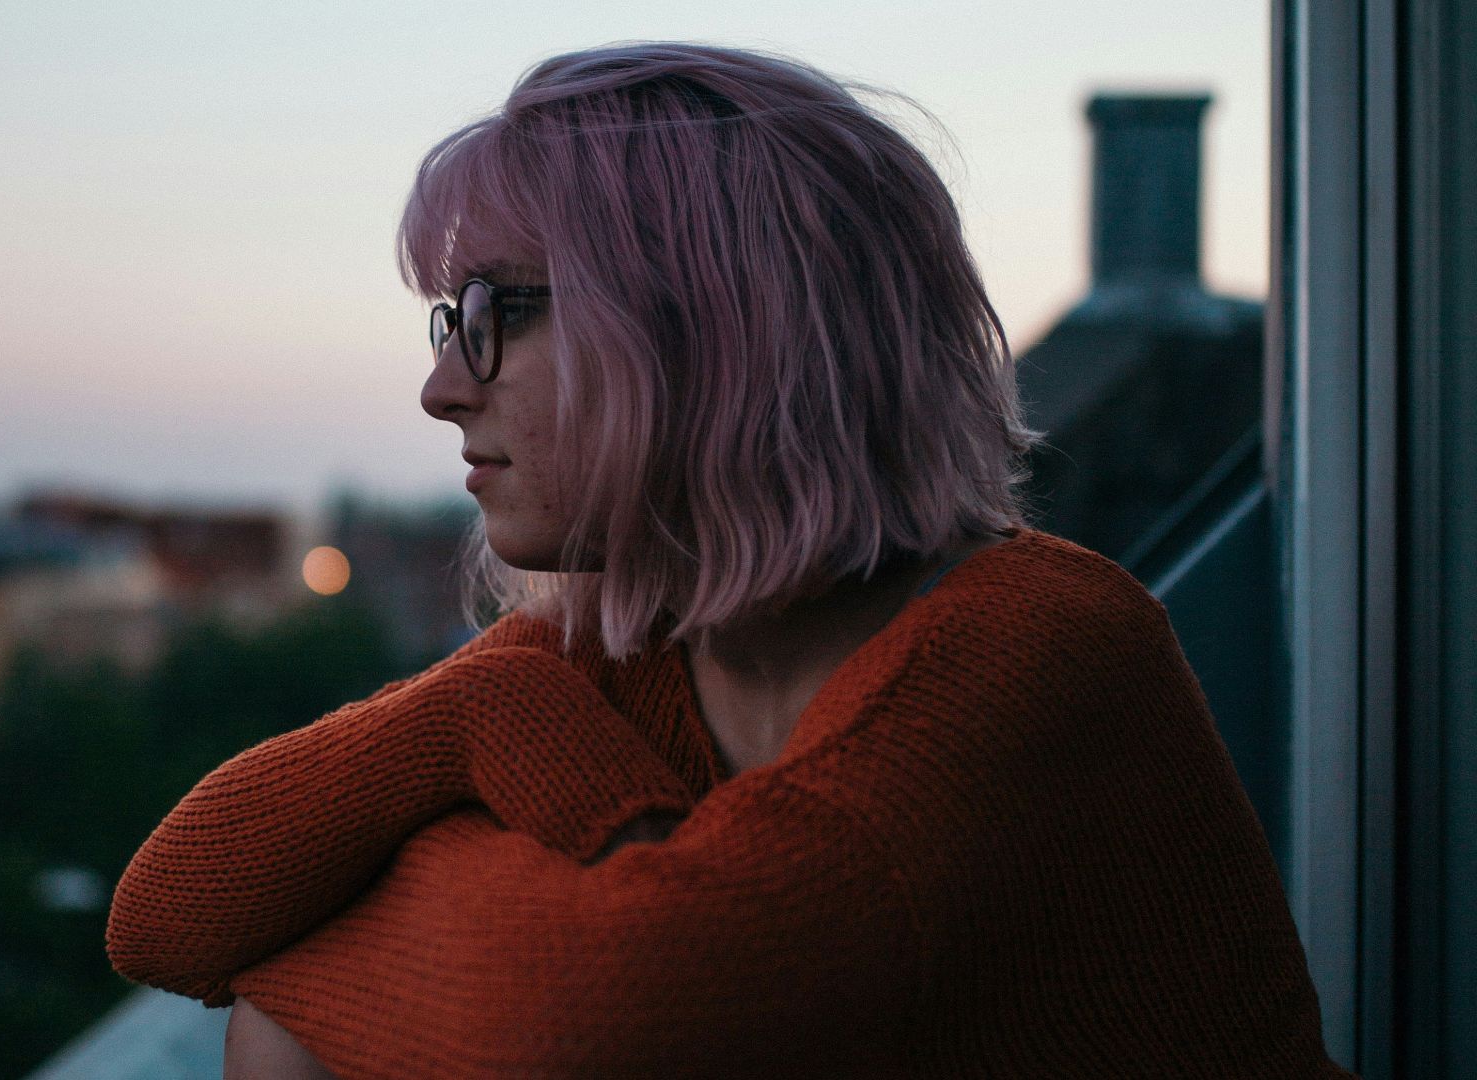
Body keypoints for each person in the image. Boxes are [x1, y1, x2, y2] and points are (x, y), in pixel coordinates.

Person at [107, 41, 1354, 1078]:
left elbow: (609, 1013)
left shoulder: (1039, 645)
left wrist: (346, 946)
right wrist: (485, 709)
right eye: (450, 323)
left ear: (709, 326)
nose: (442, 389)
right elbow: (168, 911)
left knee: (284, 1016)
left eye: (498, 315)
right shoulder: (624, 652)